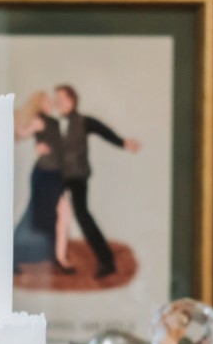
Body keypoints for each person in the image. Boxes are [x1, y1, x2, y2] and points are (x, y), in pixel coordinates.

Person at [53, 84, 141, 280]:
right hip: (58, 176)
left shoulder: (83, 121)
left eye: (60, 98)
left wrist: (123, 142)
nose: (57, 102)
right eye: (55, 99)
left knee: (82, 215)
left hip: (77, 176)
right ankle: (59, 257)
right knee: (54, 214)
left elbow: (103, 131)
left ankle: (106, 260)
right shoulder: (55, 124)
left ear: (71, 100)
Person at [13, 91, 75, 274]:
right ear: (40, 104)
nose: (50, 103)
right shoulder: (39, 121)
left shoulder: (52, 122)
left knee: (62, 214)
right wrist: (37, 147)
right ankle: (14, 255)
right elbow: (20, 134)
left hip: (55, 174)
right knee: (42, 214)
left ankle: (59, 257)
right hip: (45, 175)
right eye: (46, 101)